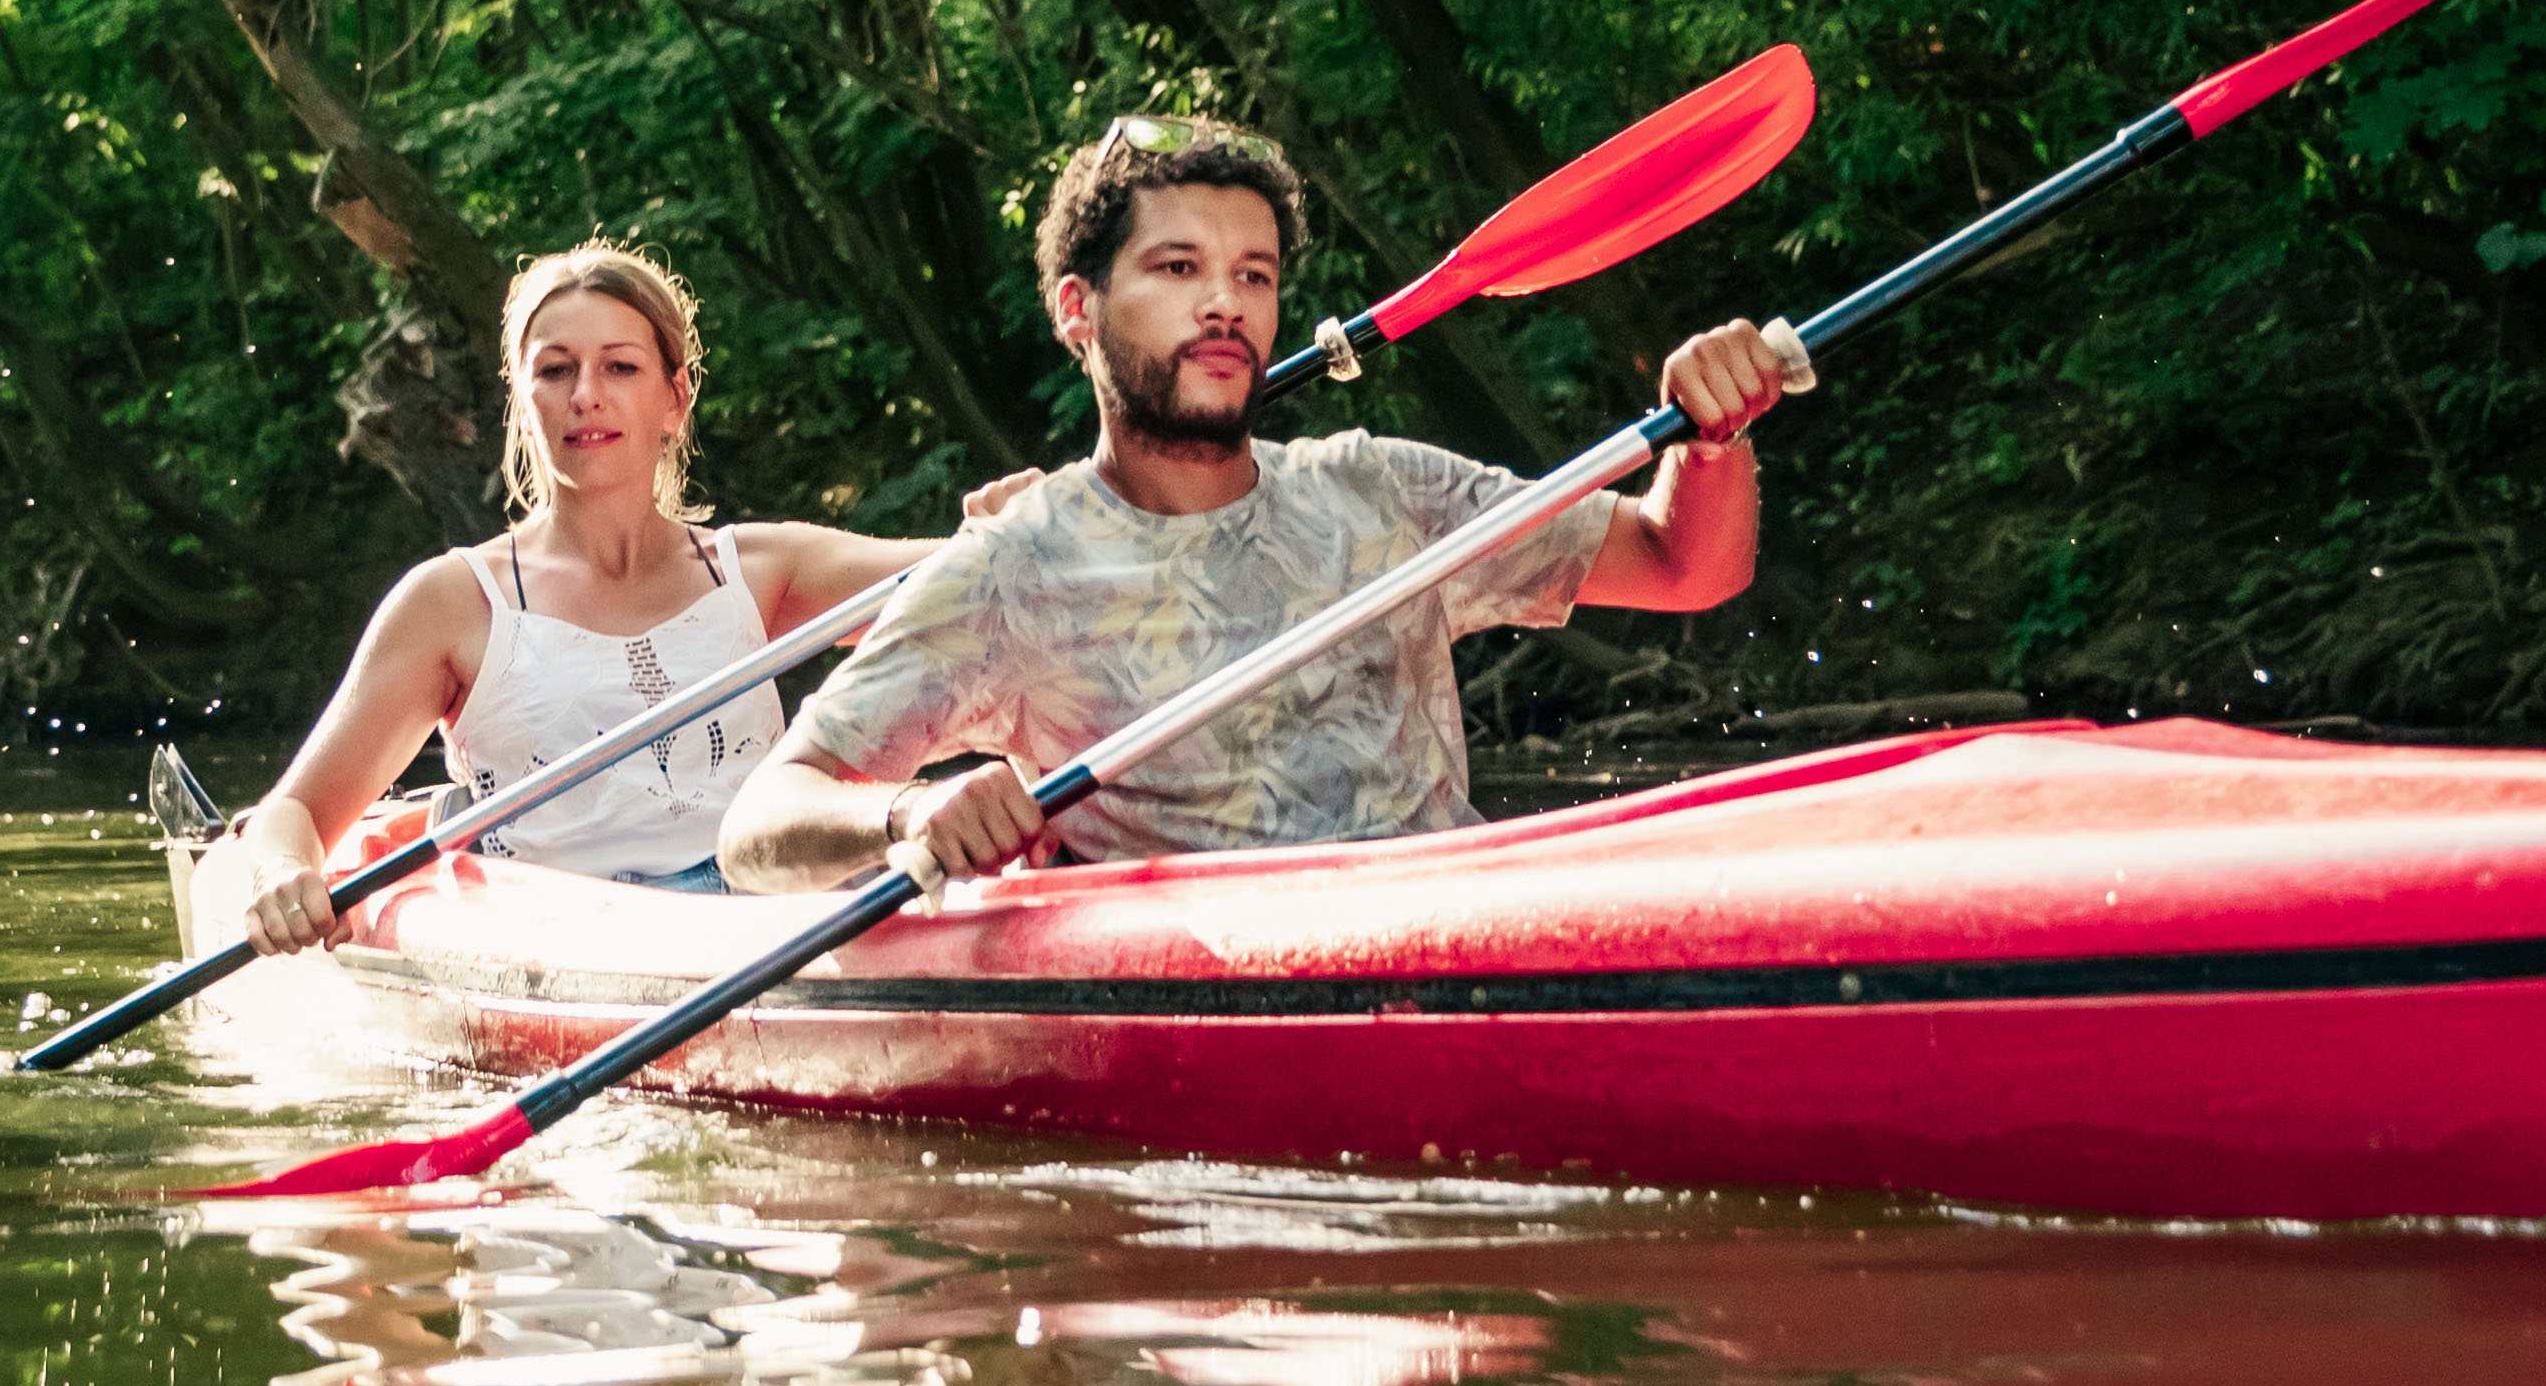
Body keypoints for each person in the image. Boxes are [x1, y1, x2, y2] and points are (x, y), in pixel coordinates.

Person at [718, 116, 1786, 890]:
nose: (1226, 300)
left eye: (1255, 274)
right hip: (1222, 993)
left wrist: (1712, 438)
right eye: (1178, 267)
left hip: (1458, 921)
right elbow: (762, 821)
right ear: (1076, 309)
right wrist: (910, 808)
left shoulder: (1380, 486)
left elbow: (1684, 564)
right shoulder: (1010, 568)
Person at [201, 240, 1031, 955]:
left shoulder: (762, 568)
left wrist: (1018, 527)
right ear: (524, 405)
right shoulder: (452, 602)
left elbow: (966, 579)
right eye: (554, 370)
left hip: (767, 913)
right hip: (562, 931)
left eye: (620, 367)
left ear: (673, 400)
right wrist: (280, 872)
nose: (585, 394)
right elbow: (295, 812)